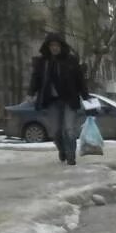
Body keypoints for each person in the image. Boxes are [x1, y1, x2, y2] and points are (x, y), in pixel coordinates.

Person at [27, 32, 89, 166]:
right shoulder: (43, 62)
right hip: (52, 101)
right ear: (48, 47)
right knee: (56, 131)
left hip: (69, 100)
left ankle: (71, 157)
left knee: (69, 129)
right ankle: (62, 150)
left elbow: (80, 80)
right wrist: (31, 92)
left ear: (61, 46)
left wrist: (86, 96)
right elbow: (36, 78)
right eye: (51, 45)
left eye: (56, 45)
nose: (54, 48)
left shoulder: (71, 60)